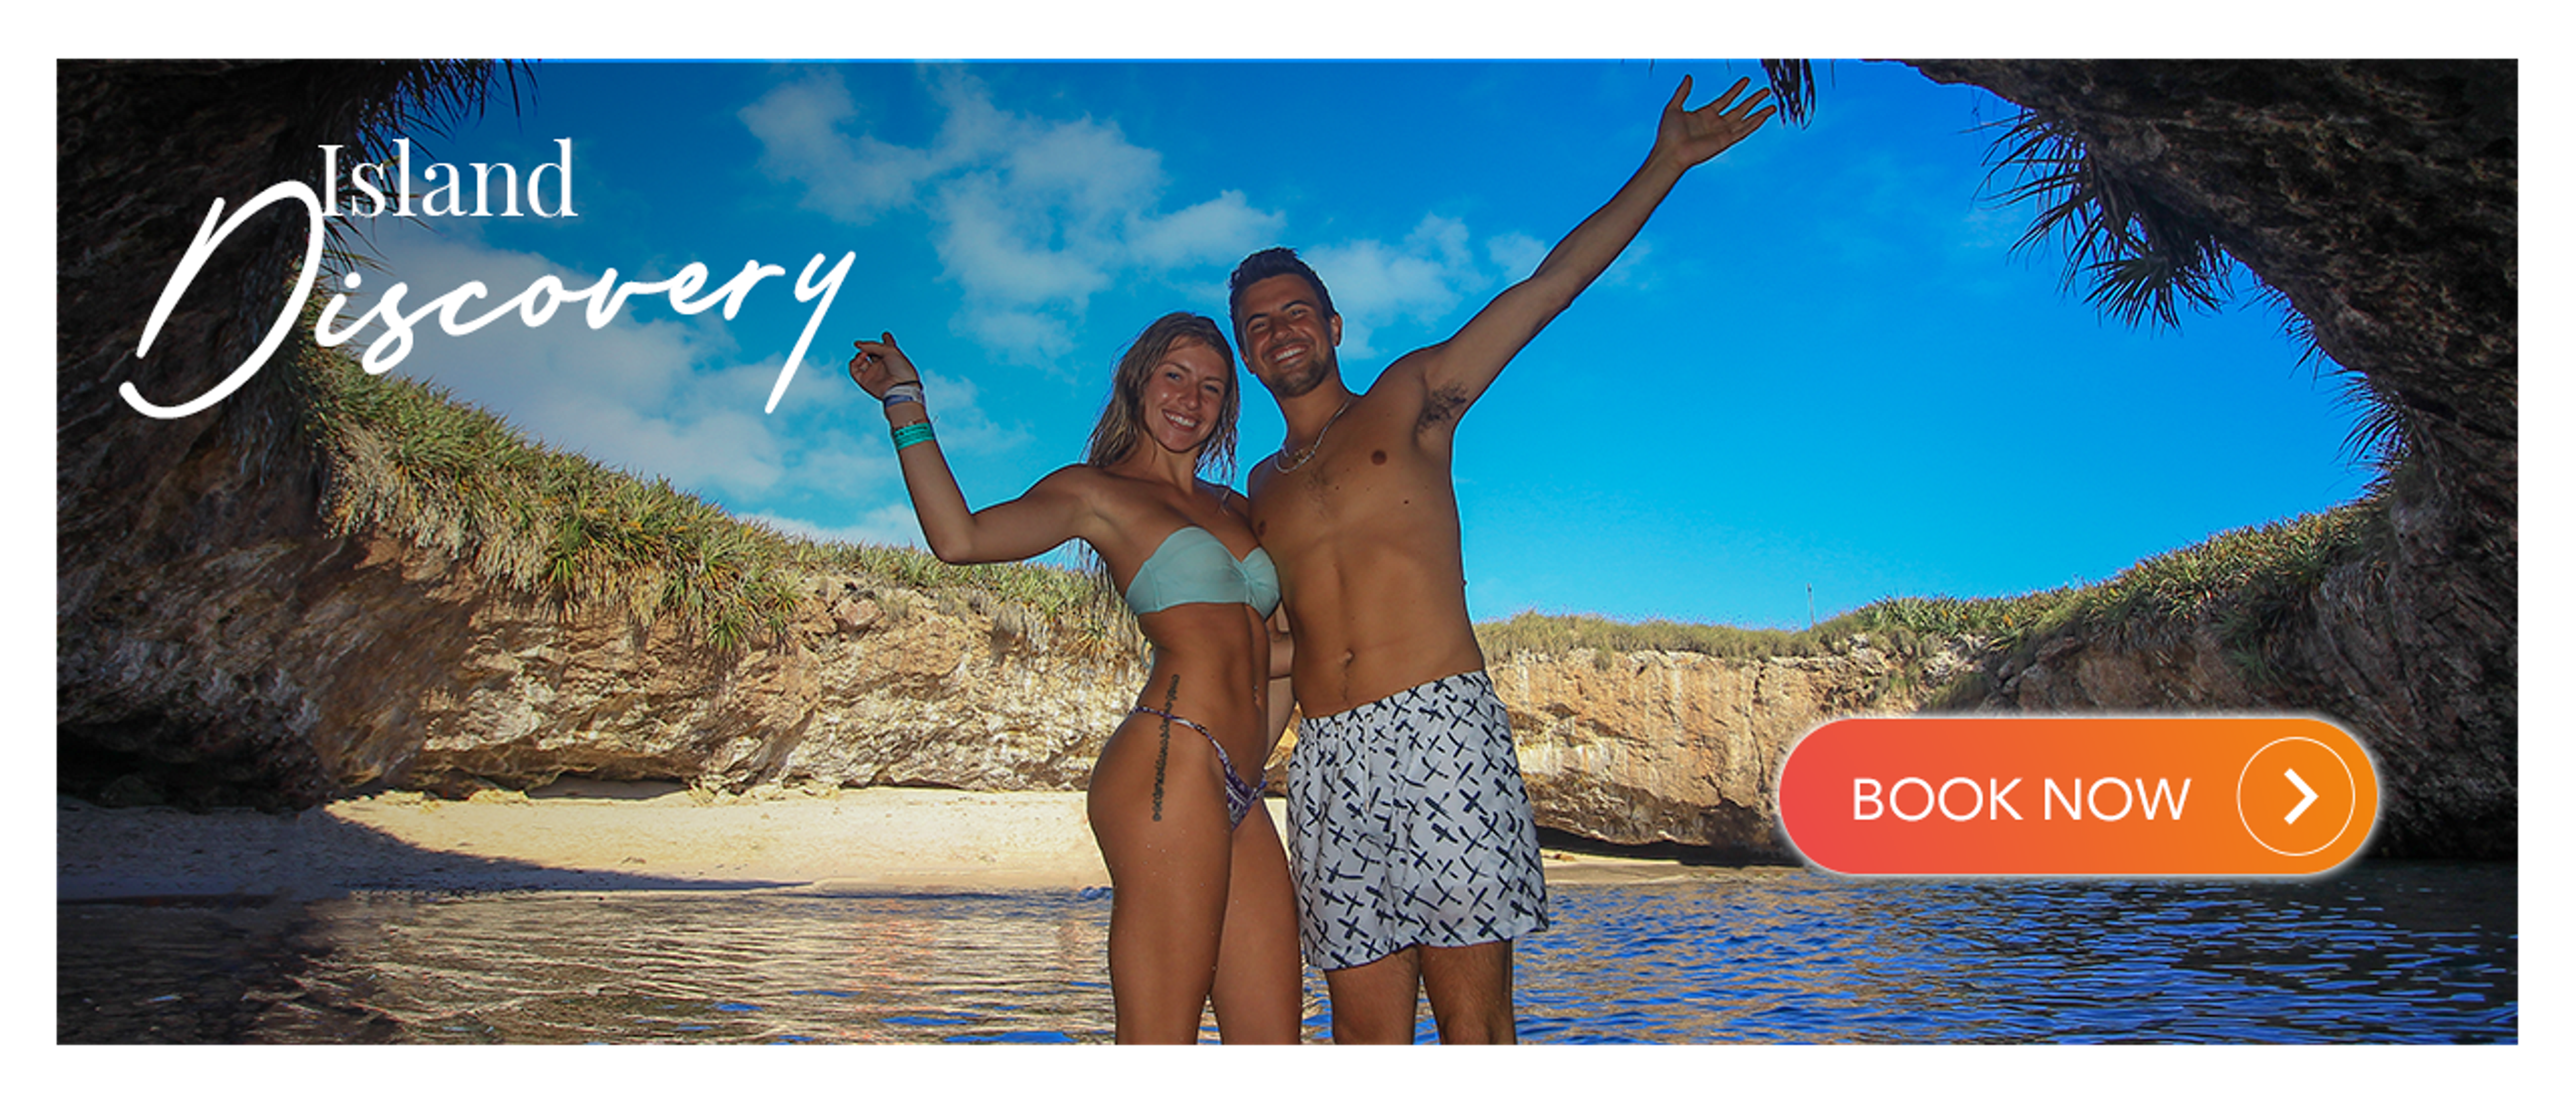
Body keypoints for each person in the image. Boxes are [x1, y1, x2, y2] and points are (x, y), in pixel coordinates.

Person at [1230, 75, 1776, 1045]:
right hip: (1326, 757)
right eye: (1259, 324)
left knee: (1474, 1023)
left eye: (1295, 311)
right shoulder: (1260, 491)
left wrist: (1664, 166)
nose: (1280, 332)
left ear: (1333, 324)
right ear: (1248, 350)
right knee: (1363, 1029)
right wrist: (1234, 767)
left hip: (1440, 724)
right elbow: (1275, 646)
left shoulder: (1410, 397)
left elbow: (1547, 288)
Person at [847, 313, 1302, 1045]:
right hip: (1170, 761)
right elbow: (959, 539)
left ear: (1227, 408)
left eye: (1212, 387)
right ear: (1138, 382)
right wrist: (906, 404)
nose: (1191, 398)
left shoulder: (1235, 507)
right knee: (1161, 1033)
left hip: (1245, 789)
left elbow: (1278, 650)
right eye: (1175, 376)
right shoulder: (1097, 493)